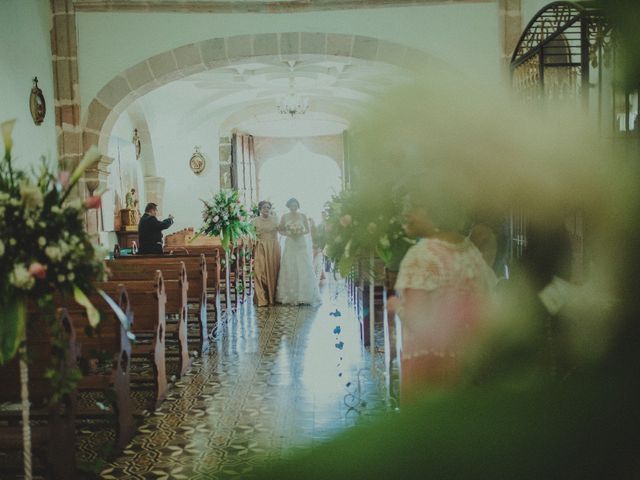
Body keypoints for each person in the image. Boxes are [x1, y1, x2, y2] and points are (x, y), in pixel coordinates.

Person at [392, 198, 496, 399]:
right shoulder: (469, 250)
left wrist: (396, 306)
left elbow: (417, 321)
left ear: (433, 210)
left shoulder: (422, 255)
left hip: (431, 365)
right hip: (468, 361)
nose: (406, 212)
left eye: (413, 206)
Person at [276, 198, 322, 305]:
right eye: (291, 205)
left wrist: (299, 231)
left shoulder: (302, 216)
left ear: (298, 206)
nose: (293, 207)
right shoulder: (284, 216)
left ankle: (304, 295)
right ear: (288, 206)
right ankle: (289, 295)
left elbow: (307, 230)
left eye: (295, 205)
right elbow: (280, 230)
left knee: (303, 266)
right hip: (290, 243)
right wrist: (288, 233)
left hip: (300, 243)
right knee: (290, 266)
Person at [251, 201, 281, 307]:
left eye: (268, 207)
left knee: (273, 271)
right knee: (260, 272)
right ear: (260, 209)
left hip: (273, 247)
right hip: (260, 247)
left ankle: (272, 296)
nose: (266, 209)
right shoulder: (254, 221)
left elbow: (281, 231)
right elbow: (251, 234)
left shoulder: (275, 219)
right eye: (264, 207)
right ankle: (261, 298)